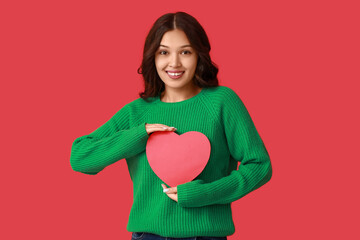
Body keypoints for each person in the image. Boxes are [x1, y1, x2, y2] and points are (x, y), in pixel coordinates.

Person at [70, 11, 272, 240]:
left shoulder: (222, 102)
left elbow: (260, 166)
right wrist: (139, 135)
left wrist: (203, 193)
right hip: (147, 236)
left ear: (199, 56)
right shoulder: (136, 112)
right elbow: (80, 157)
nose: (174, 63)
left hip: (205, 237)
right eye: (163, 52)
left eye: (185, 52)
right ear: (152, 58)